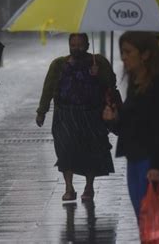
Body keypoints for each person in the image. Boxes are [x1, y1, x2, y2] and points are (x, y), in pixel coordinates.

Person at [36, 33, 117, 201]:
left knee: (91, 151)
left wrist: (98, 74)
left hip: (91, 114)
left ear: (87, 45)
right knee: (65, 151)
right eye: (73, 45)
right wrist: (41, 111)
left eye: (80, 45)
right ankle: (69, 187)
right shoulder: (59, 64)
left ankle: (89, 187)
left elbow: (111, 84)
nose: (76, 48)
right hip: (65, 115)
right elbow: (48, 88)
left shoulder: (98, 62)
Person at [102, 31, 159, 220]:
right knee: (144, 220)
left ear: (145, 55)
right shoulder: (135, 84)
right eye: (122, 52)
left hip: (151, 163)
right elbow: (128, 129)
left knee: (155, 221)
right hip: (134, 160)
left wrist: (157, 166)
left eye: (129, 52)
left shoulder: (158, 85)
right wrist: (113, 120)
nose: (123, 57)